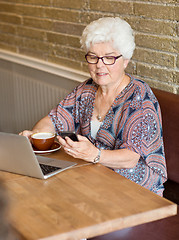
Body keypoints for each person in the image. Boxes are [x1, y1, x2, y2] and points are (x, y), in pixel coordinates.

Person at [20, 17, 167, 196]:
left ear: (125, 59)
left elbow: (131, 158)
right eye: (93, 57)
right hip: (93, 178)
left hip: (135, 191)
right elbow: (53, 119)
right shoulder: (87, 89)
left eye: (109, 58)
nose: (99, 65)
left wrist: (95, 155)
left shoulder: (140, 99)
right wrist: (36, 136)